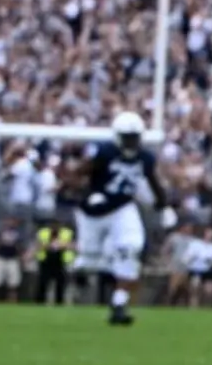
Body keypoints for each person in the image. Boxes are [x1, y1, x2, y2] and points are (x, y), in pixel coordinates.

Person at [62, 111, 174, 326]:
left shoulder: (145, 157)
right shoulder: (104, 152)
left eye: (134, 137)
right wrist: (86, 193)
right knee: (89, 259)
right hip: (92, 212)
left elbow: (154, 182)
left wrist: (164, 205)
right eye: (127, 137)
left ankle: (119, 304)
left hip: (122, 207)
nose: (131, 142)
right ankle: (79, 271)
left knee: (131, 247)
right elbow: (77, 173)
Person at [31, 222, 73, 305]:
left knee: (60, 284)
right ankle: (39, 302)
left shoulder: (66, 233)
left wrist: (60, 245)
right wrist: (49, 245)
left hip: (60, 262)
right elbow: (38, 245)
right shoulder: (43, 233)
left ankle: (59, 302)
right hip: (46, 261)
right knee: (43, 283)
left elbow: (71, 245)